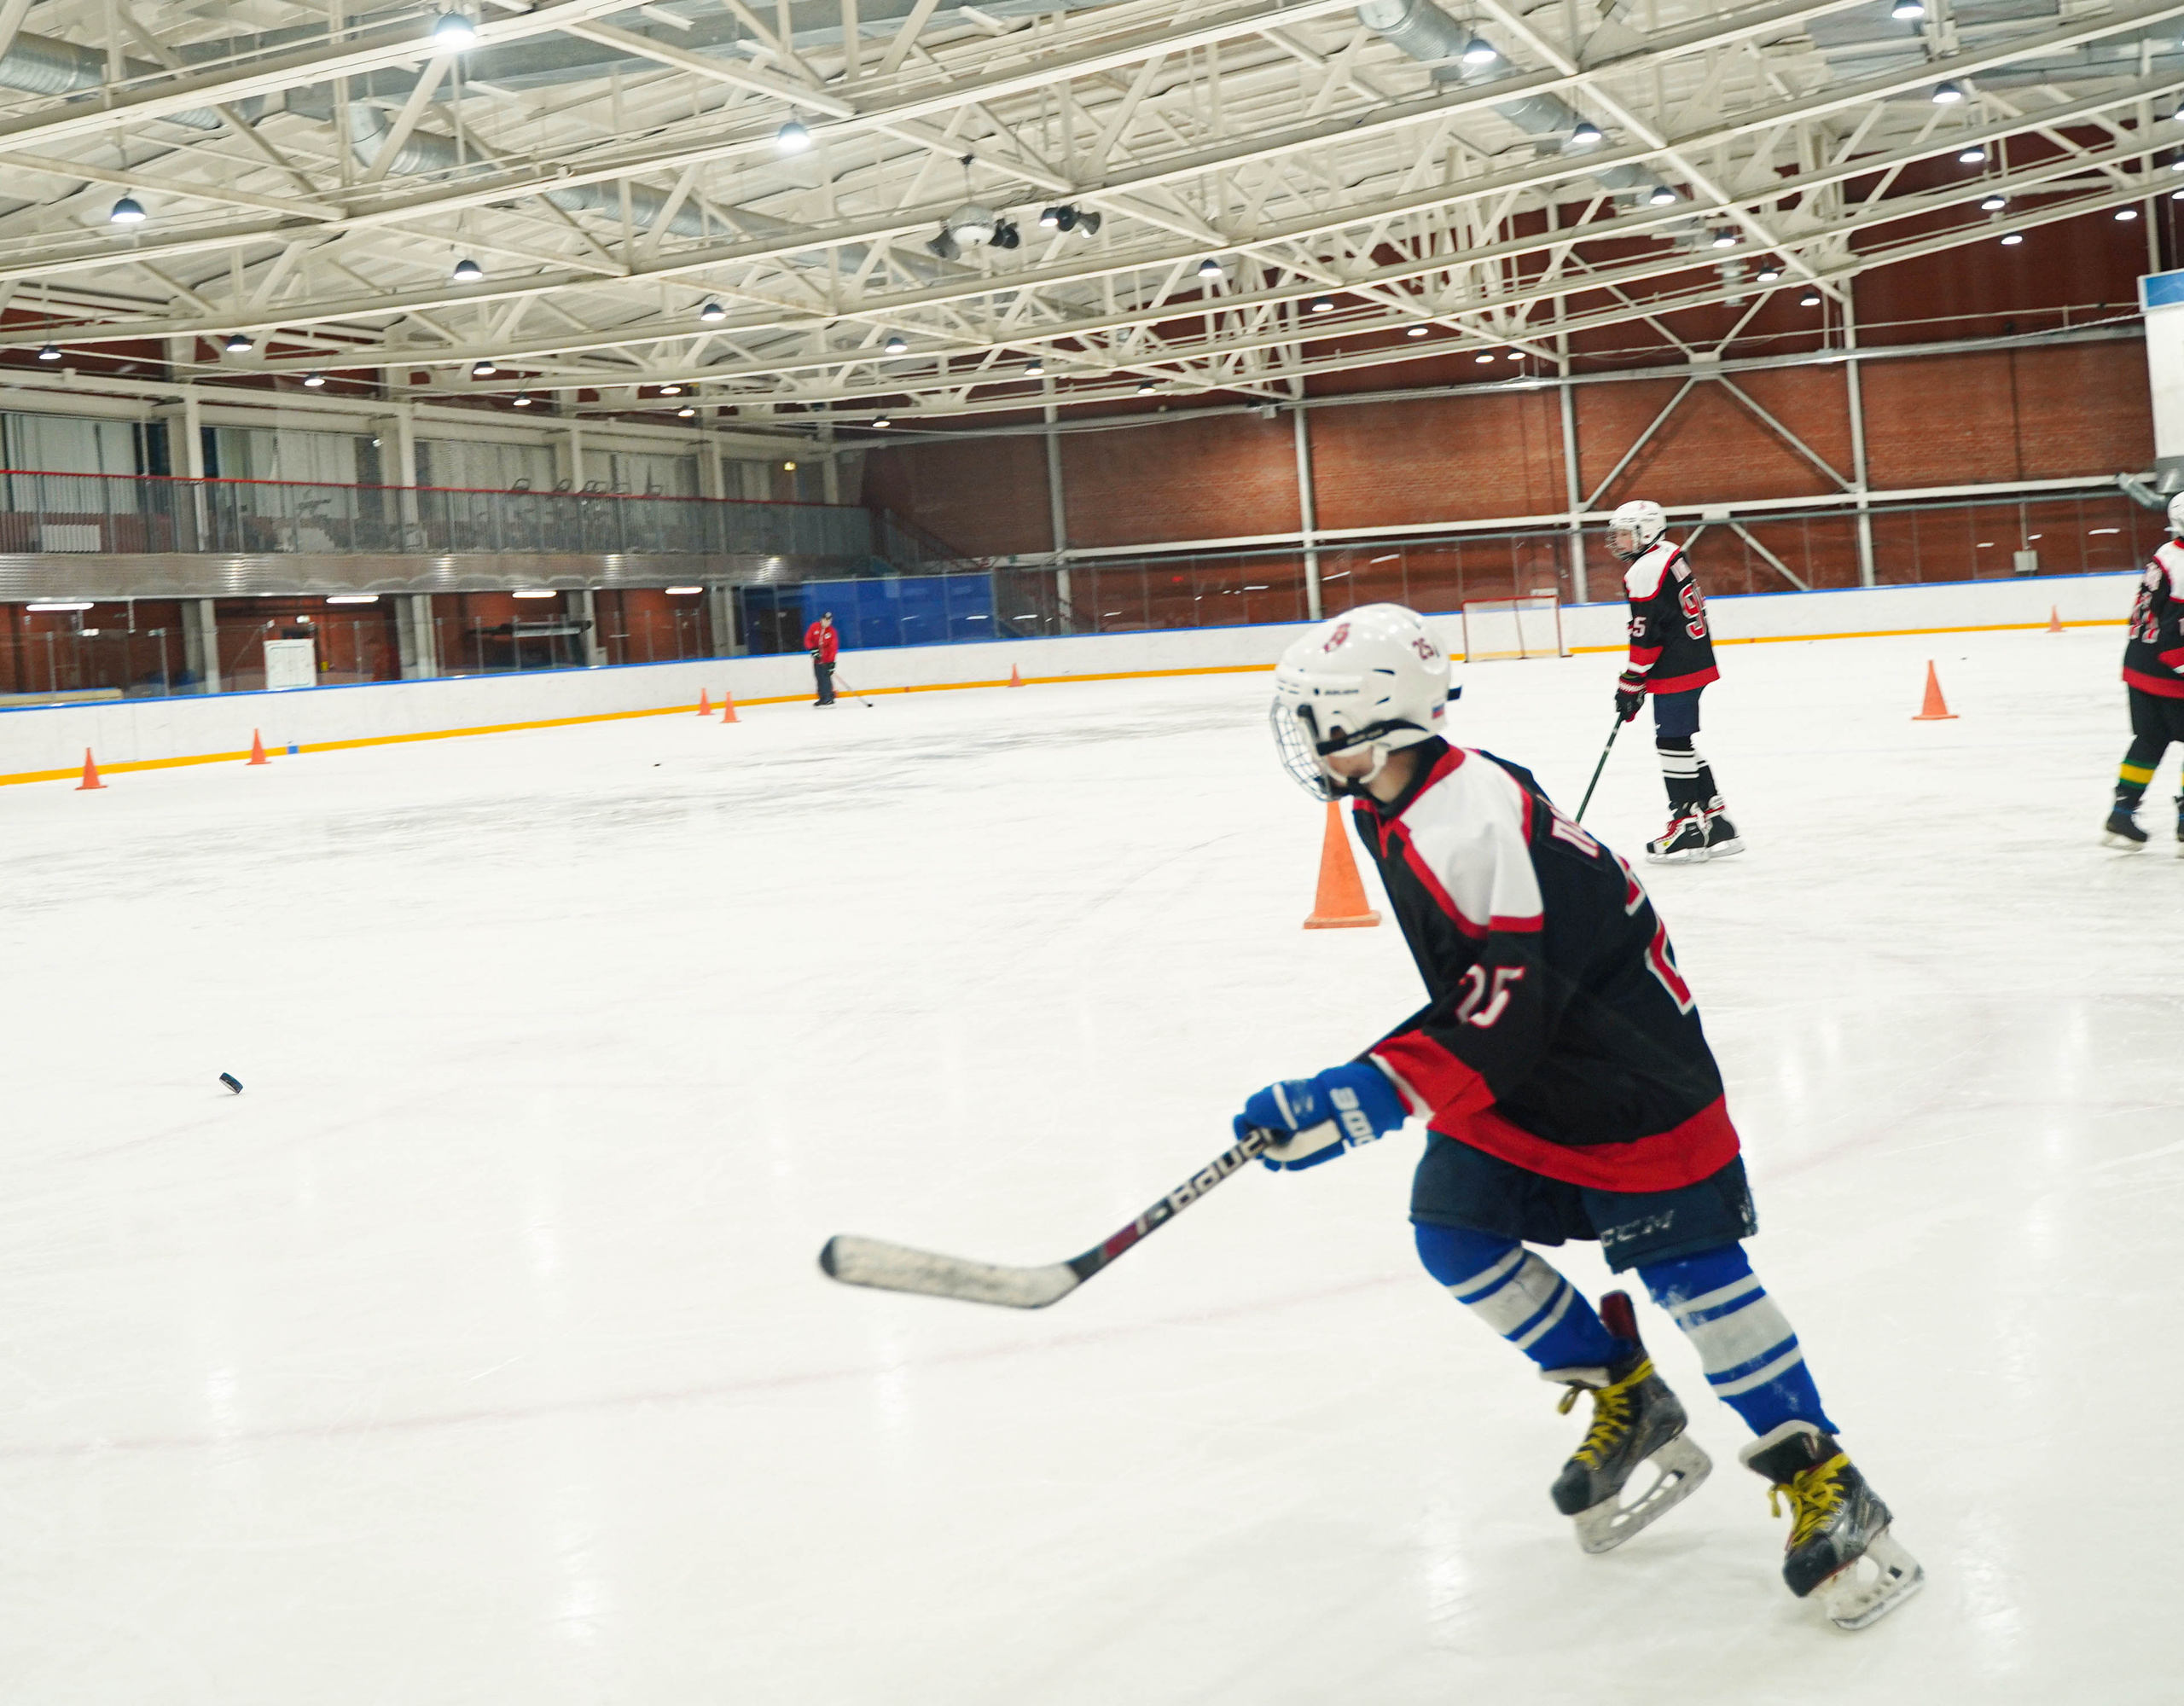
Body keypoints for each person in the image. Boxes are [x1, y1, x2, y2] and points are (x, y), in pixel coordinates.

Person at [1240, 603, 1921, 1631]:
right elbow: (1495, 995)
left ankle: (1827, 1473)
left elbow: (1511, 1001)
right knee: (1453, 1233)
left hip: (1626, 1079)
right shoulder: (1396, 795)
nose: (1298, 741)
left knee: (1694, 1279)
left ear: (1368, 723)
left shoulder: (1458, 820)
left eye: (1311, 719)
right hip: (1531, 1071)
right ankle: (1627, 1391)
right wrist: (1383, 1082)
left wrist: (1363, 1094)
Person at [1606, 500, 1742, 863]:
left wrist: (1631, 681)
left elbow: (1645, 634)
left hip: (1675, 665)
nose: (1618, 541)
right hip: (1694, 656)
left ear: (1645, 531)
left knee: (1670, 743)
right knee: (1678, 741)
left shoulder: (1643, 570)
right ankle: (1716, 819)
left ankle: (1687, 828)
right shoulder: (1669, 552)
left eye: (1624, 533)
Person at [2103, 492, 2184, 850]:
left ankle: (2122, 814)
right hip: (2169, 672)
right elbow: (2174, 633)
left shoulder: (2166, 553)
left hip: (2139, 666)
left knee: (2150, 739)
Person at [804, 611, 839, 709]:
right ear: (821, 619)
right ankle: (822, 697)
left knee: (826, 678)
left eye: (829, 620)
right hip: (817, 660)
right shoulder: (814, 627)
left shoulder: (832, 632)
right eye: (825, 620)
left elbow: (833, 648)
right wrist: (813, 650)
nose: (827, 622)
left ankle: (829, 697)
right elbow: (808, 639)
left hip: (827, 660)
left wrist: (832, 663)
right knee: (818, 677)